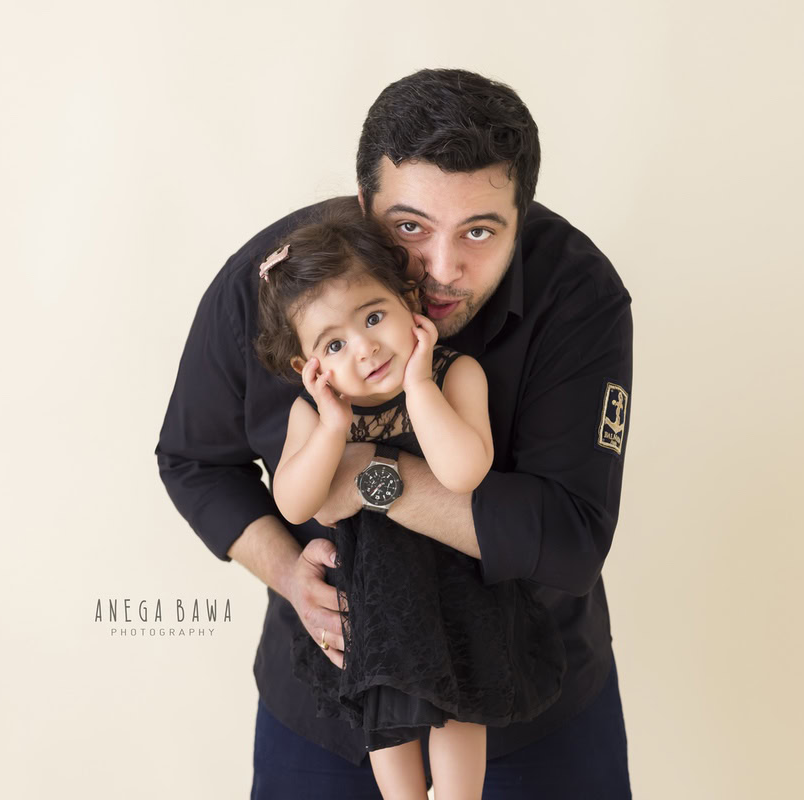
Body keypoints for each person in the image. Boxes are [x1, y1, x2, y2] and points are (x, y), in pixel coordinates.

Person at [157, 68, 633, 798]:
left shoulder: (580, 297)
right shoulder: (264, 287)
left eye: (480, 230)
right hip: (333, 705)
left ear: (522, 215)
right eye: (410, 228)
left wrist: (369, 478)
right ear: (361, 205)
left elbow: (568, 539)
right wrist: (290, 574)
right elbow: (194, 461)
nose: (442, 270)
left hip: (534, 700)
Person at [253, 200, 567, 799]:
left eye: (373, 318)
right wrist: (331, 429)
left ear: (410, 304)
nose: (364, 349)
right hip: (373, 596)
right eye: (334, 346)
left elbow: (463, 471)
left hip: (456, 583)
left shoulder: (454, 374)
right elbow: (297, 504)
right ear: (307, 367)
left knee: (460, 703)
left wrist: (419, 384)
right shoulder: (311, 415)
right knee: (386, 713)